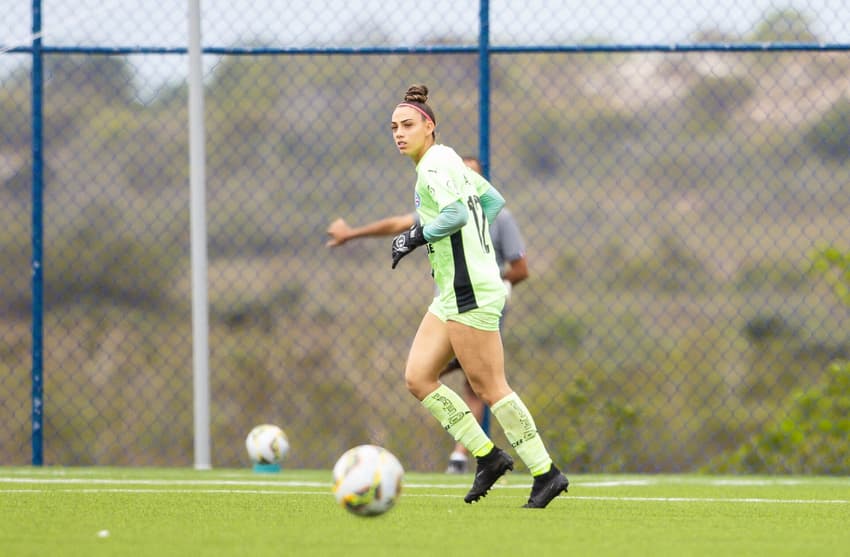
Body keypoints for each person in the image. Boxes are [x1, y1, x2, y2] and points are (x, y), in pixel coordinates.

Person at [382, 83, 568, 508]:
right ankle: (487, 457)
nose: (399, 133)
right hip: (452, 291)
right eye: (394, 127)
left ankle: (546, 472)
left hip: (470, 292)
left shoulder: (432, 168)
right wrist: (472, 245)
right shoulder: (445, 158)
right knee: (418, 377)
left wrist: (415, 236)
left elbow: (458, 212)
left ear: (429, 127)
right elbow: (492, 199)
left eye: (408, 125)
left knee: (490, 386)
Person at [326, 157, 530, 475]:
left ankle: (473, 456)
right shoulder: (441, 210)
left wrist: (494, 285)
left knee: (474, 384)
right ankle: (475, 454)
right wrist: (352, 234)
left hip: (479, 307)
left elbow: (521, 269)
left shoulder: (500, 218)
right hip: (445, 307)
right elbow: (398, 224)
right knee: (448, 380)